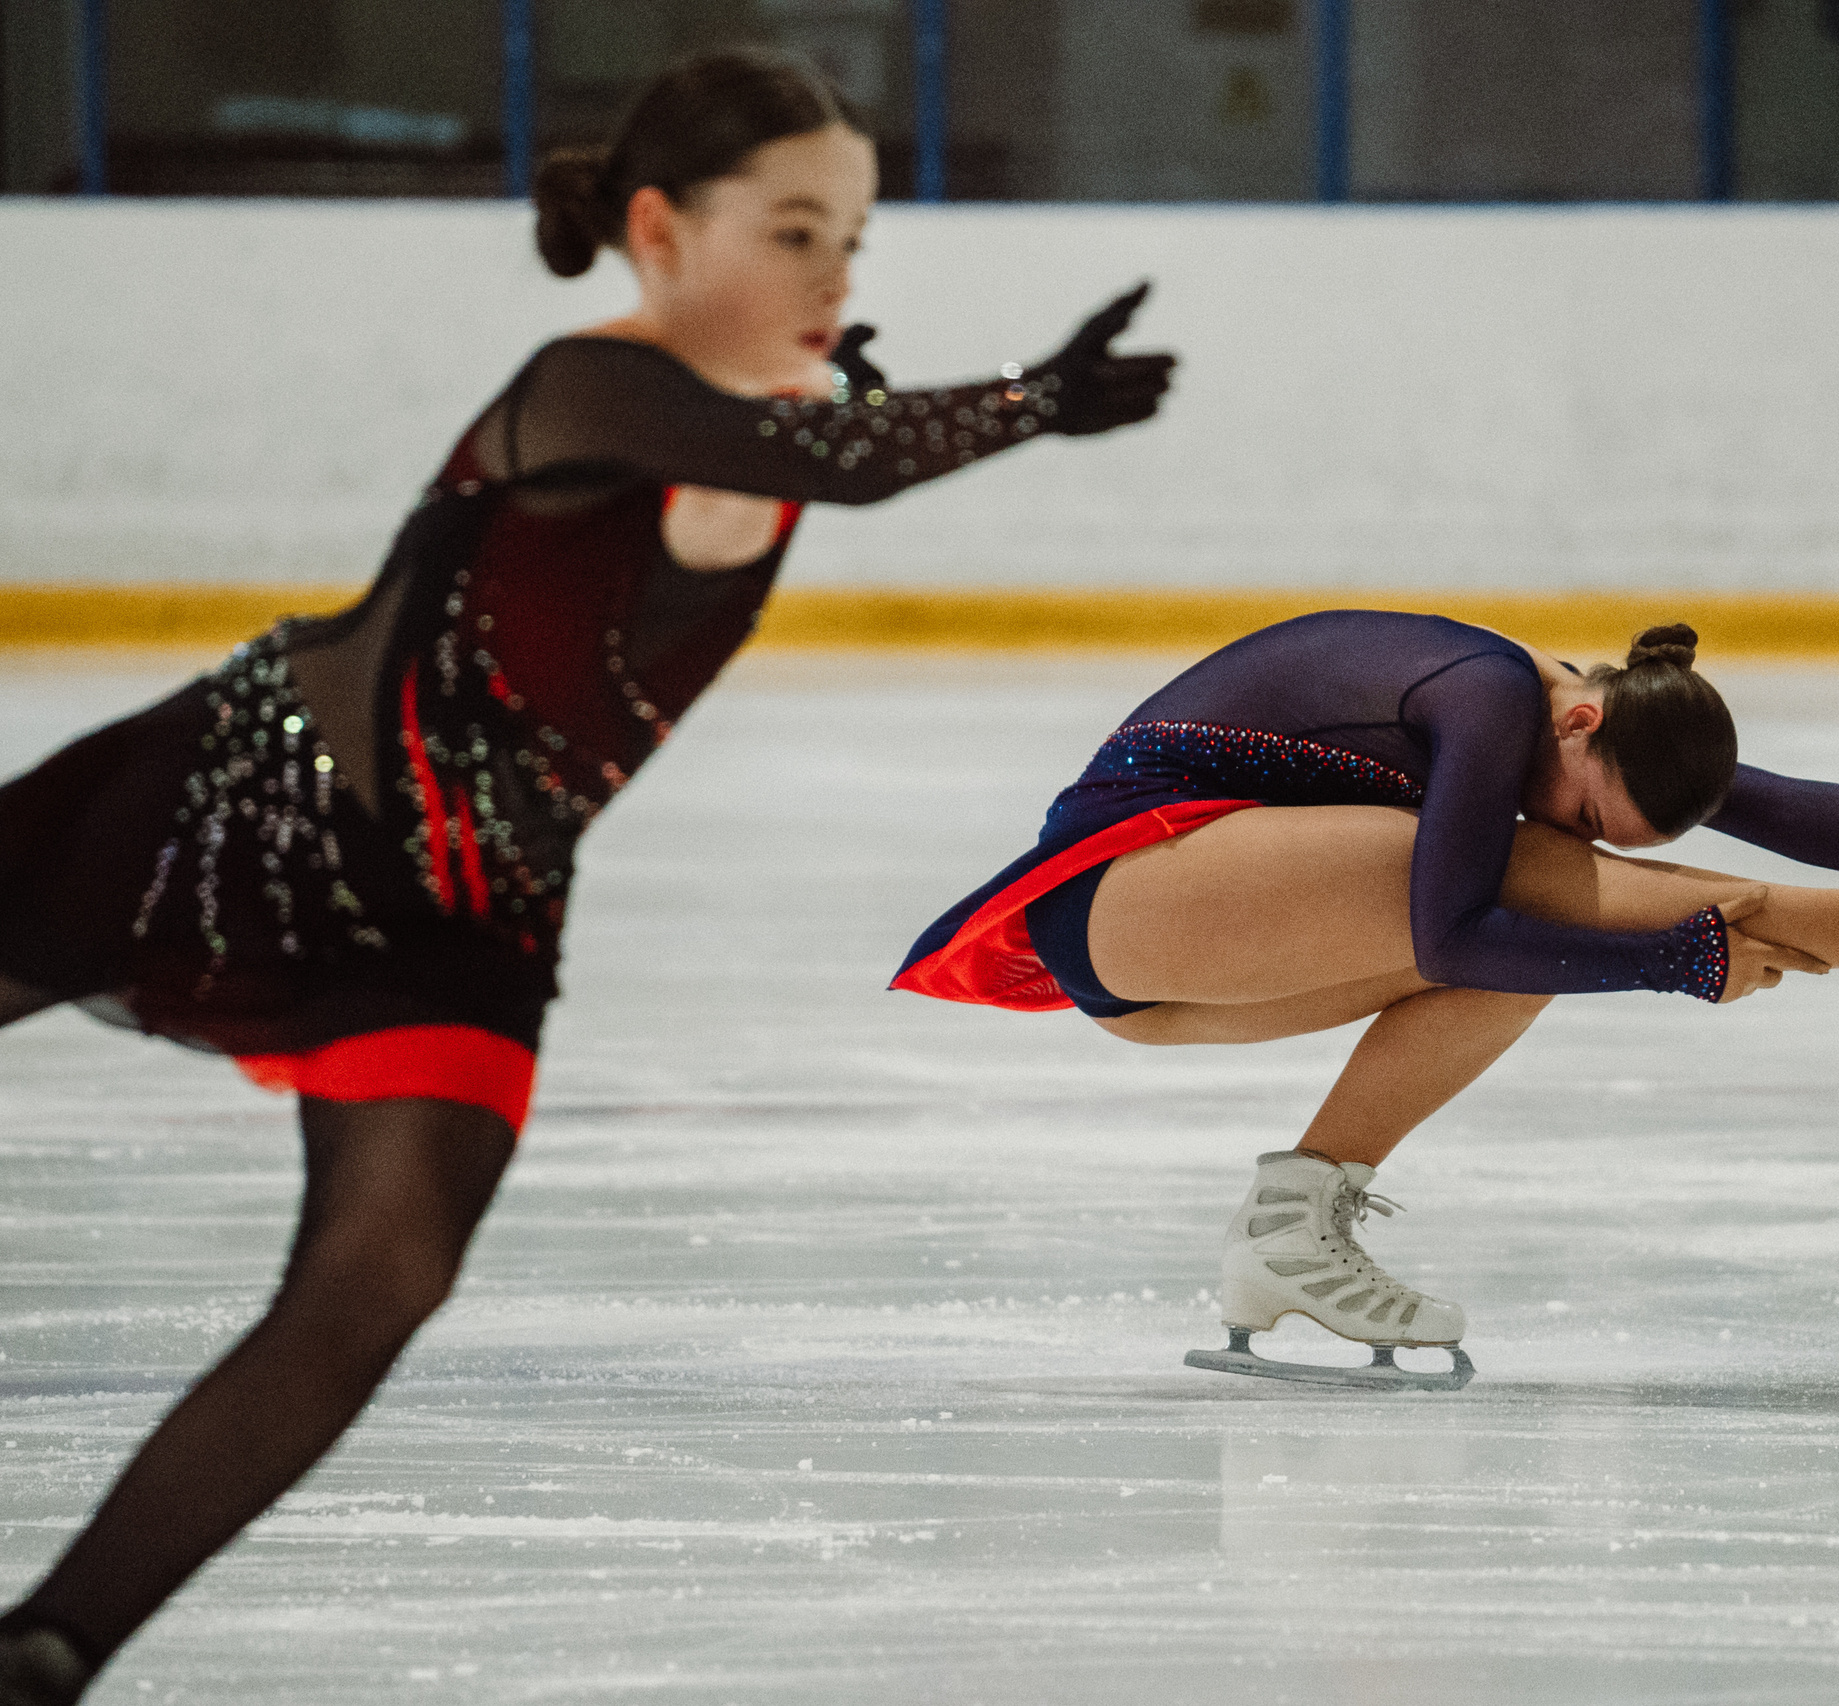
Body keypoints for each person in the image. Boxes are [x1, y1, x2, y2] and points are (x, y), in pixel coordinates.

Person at [0, 48, 1172, 1704]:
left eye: (851, 236)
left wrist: (854, 410)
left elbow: (790, 460)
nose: (836, 274)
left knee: (381, 1275)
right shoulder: (581, 381)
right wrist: (1025, 401)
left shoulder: (759, 434)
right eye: (792, 232)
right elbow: (816, 459)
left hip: (467, 907)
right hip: (240, 796)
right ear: (659, 229)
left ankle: (49, 1646)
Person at [894, 611, 1839, 1386]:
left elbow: (1782, 804)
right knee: (1524, 896)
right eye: (1589, 804)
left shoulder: (1595, 727)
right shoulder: (1485, 693)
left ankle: (1291, 1227)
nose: (1578, 816)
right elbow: (1452, 928)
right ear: (1582, 721)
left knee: (1531, 919)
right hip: (1128, 884)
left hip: (1189, 935)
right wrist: (1674, 960)